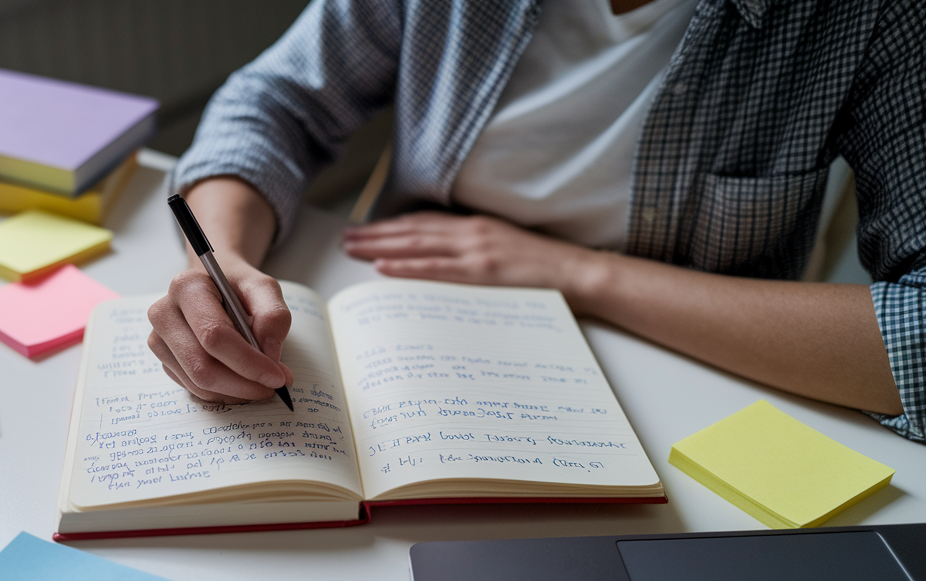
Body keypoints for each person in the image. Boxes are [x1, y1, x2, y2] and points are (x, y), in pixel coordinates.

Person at [146, 0, 926, 442]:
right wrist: (217, 261)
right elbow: (273, 102)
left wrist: (575, 273)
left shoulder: (872, 17)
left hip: (698, 398)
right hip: (405, 330)